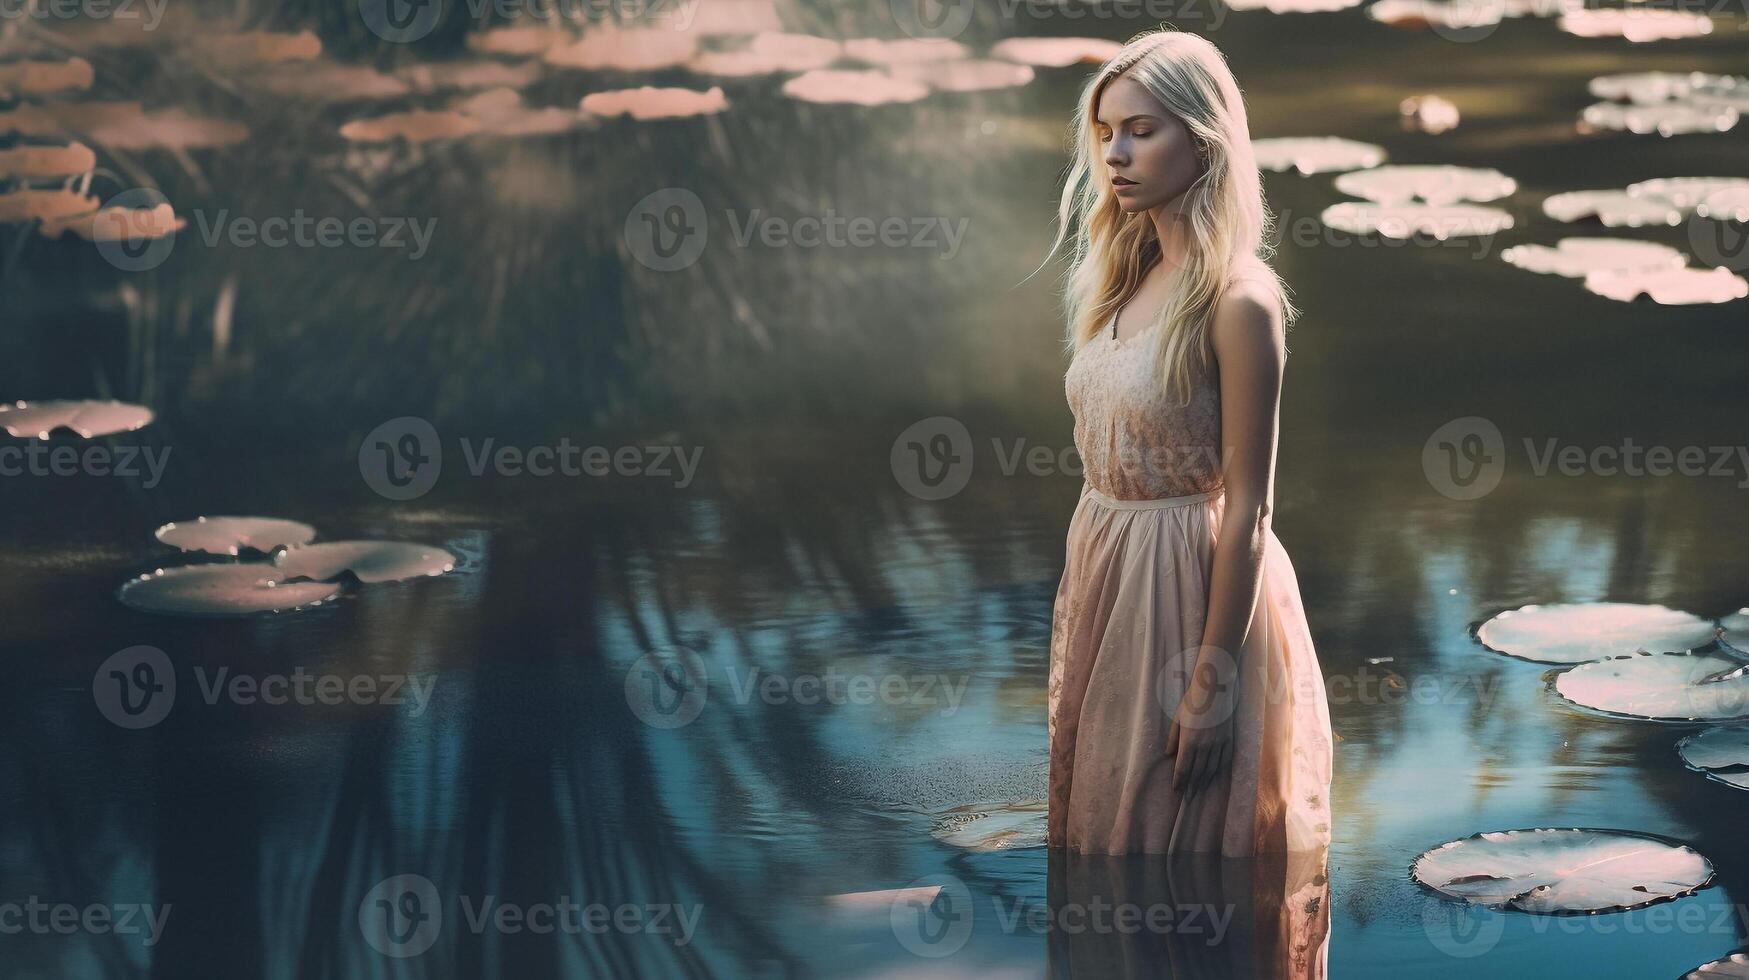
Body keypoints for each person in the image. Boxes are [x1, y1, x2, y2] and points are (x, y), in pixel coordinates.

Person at [1043, 28, 1333, 858]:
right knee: (1105, 822)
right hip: (1108, 570)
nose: (1116, 154)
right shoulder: (1125, 277)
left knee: (1177, 836)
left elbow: (1249, 505)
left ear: (1204, 139)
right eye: (1103, 134)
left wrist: (1212, 680)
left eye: (1141, 129)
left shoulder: (1239, 301)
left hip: (1189, 583)